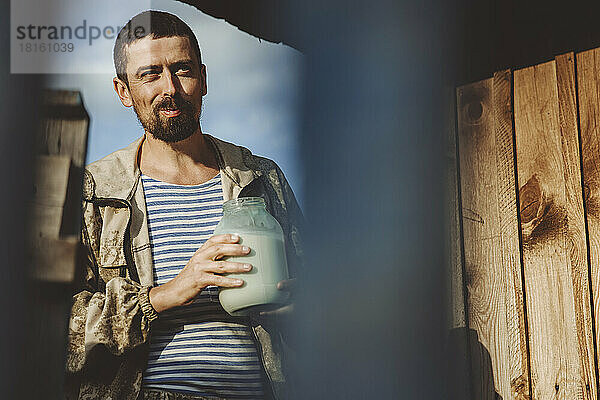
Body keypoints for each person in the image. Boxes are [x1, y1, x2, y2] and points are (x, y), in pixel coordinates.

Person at [64, 10, 303, 400]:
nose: (170, 88)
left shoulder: (260, 177)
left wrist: (298, 310)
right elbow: (54, 329)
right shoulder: (94, 191)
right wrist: (165, 294)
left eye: (182, 70)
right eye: (150, 74)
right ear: (123, 91)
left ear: (203, 79)